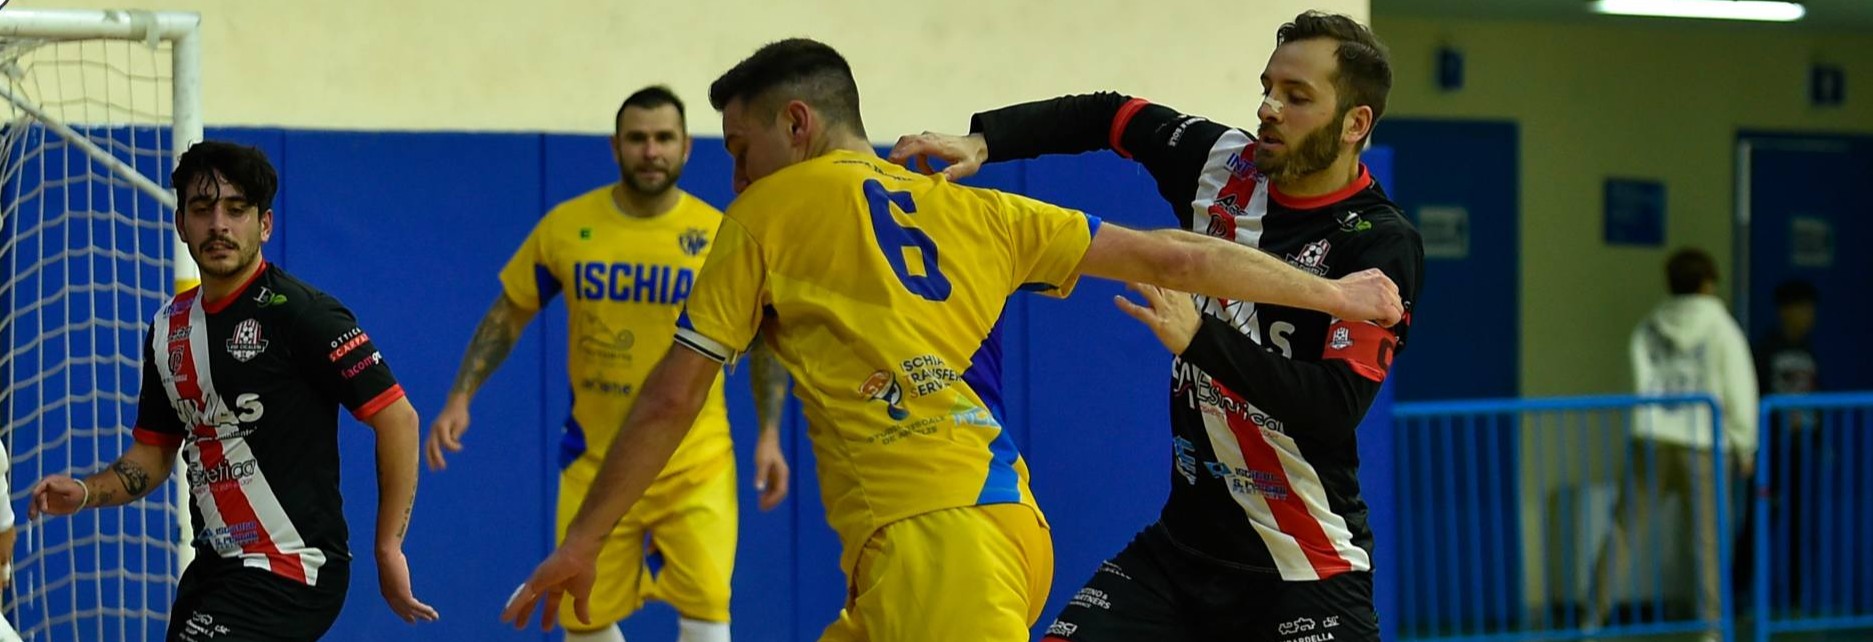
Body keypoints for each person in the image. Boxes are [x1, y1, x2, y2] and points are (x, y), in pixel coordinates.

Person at [500, 38, 1403, 642]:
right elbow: (1175, 251)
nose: (733, 174)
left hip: (934, 541)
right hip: (998, 527)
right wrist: (1331, 294)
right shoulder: (973, 210)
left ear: (796, 124)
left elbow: (672, 395)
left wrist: (581, 540)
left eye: (738, 148)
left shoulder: (763, 212)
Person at [891, 10, 1422, 641]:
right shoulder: (1220, 165)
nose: (1269, 108)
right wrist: (985, 142)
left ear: (1355, 124)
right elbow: (1111, 114)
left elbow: (1333, 409)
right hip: (1178, 556)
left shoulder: (1380, 243)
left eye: (1297, 96)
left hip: (1304, 568)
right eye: (1267, 88)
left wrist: (1201, 340)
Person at [27, 141, 438, 641]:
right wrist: (86, 492)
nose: (218, 224)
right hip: (214, 571)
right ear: (182, 224)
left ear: (264, 224)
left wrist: (388, 547)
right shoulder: (168, 329)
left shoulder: (303, 313)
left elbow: (397, 418)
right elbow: (152, 455)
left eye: (236, 209)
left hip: (293, 569)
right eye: (203, 209)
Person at [426, 86, 790, 642]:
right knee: (582, 613)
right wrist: (460, 396)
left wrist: (769, 433)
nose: (651, 151)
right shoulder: (568, 227)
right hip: (595, 465)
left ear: (687, 147)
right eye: (638, 138)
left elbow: (762, 339)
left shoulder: (721, 233)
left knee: (709, 614)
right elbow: (509, 313)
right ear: (615, 146)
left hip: (695, 465)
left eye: (664, 138)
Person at [1590, 247, 1756, 642]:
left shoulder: (1649, 326)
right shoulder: (1721, 327)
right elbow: (1739, 386)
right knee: (1708, 542)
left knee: (1624, 530)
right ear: (1708, 283)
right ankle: (1711, 629)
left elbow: (1636, 378)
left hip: (1651, 437)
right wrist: (1744, 443)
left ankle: (1591, 618)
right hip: (1704, 443)